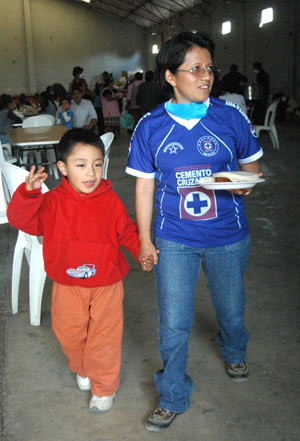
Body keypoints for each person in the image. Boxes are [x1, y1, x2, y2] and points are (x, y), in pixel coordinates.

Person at [126, 31, 263, 432]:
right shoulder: (150, 128)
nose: (206, 77)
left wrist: (243, 184)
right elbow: (144, 186)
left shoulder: (230, 118)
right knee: (173, 322)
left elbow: (252, 168)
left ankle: (234, 349)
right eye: (195, 69)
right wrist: (146, 239)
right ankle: (171, 394)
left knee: (231, 310)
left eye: (209, 68)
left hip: (227, 234)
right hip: (176, 239)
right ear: (170, 76)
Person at [7, 128, 153, 413]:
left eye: (97, 164)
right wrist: (28, 193)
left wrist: (141, 250)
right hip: (67, 283)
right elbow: (21, 220)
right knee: (69, 333)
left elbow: (126, 231)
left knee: (105, 337)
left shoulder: (109, 200)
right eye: (81, 165)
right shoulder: (51, 203)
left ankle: (104, 387)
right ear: (62, 167)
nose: (91, 173)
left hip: (107, 283)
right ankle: (83, 367)